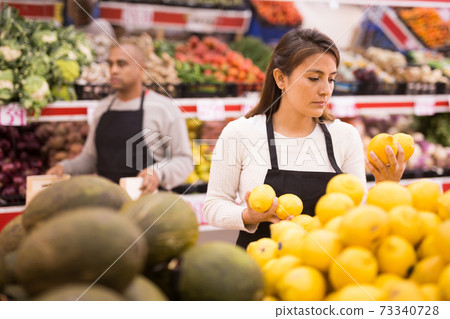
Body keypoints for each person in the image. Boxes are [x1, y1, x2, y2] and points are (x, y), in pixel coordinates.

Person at [203, 27, 406, 248]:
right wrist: (247, 215)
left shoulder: (345, 136)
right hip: (259, 265)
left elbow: (356, 214)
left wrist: (387, 187)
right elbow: (214, 205)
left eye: (331, 79)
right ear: (281, 78)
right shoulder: (240, 133)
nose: (326, 90)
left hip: (321, 268)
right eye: (313, 78)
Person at [47, 43, 193, 193]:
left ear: (141, 68)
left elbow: (184, 160)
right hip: (107, 204)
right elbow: (90, 158)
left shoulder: (163, 108)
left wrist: (157, 172)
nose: (114, 70)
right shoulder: (102, 108)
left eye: (121, 64)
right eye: (111, 64)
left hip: (148, 205)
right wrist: (64, 168)